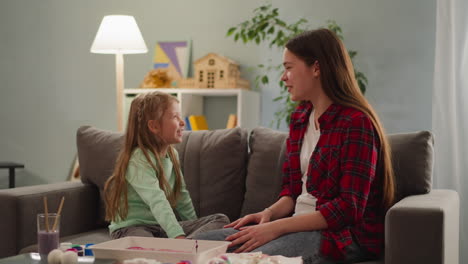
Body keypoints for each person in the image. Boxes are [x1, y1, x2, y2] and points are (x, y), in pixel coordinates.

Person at [195, 28, 395, 264]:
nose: (283, 77)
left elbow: (348, 208)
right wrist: (267, 215)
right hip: (295, 227)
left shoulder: (356, 123)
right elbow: (292, 191)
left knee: (243, 259)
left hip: (338, 236)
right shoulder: (301, 117)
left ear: (317, 68)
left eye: (289, 67)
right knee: (199, 245)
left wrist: (278, 228)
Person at [104, 91, 229, 239]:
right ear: (154, 126)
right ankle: (181, 248)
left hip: (160, 229)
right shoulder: (138, 159)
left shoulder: (172, 155)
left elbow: (182, 199)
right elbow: (157, 200)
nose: (182, 122)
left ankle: (181, 248)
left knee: (221, 220)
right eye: (175, 117)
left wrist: (191, 227)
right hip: (132, 228)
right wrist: (177, 235)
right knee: (144, 241)